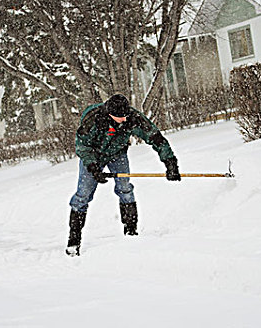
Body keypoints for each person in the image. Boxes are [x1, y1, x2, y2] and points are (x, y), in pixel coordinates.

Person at [66, 94, 181, 256]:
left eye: (125, 115)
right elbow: (82, 146)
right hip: (92, 156)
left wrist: (170, 162)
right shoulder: (93, 119)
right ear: (109, 113)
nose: (124, 119)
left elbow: (155, 136)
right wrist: (93, 167)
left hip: (117, 154)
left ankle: (131, 232)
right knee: (83, 195)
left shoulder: (132, 118)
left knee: (125, 188)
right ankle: (74, 240)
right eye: (120, 117)